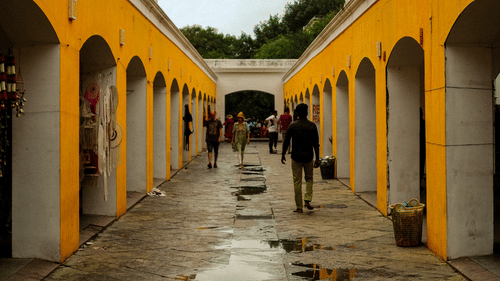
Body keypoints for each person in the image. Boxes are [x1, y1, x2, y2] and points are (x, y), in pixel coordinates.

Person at [281, 103, 320, 213]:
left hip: (296, 157)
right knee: (309, 179)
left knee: (297, 181)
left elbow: (286, 141)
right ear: (307, 112)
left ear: (297, 113)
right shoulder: (312, 126)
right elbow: (316, 144)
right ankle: (307, 199)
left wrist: (283, 154)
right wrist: (317, 159)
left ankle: (299, 206)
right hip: (308, 157)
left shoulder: (292, 126)